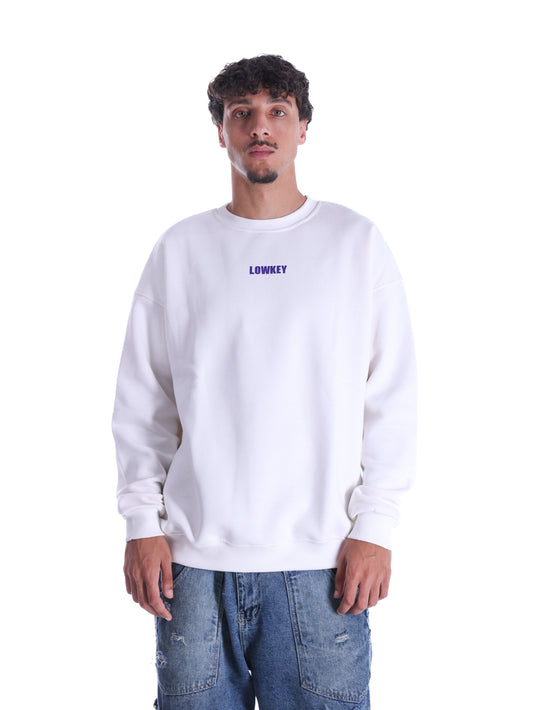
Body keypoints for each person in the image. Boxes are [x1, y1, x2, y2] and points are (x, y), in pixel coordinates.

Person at [112, 54, 417, 710]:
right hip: (193, 563)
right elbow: (145, 399)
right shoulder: (181, 249)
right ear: (220, 130)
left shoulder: (353, 243)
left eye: (277, 111)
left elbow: (391, 397)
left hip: (323, 561)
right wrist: (141, 522)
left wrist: (377, 526)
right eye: (241, 112)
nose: (259, 126)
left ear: (302, 128)